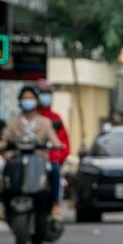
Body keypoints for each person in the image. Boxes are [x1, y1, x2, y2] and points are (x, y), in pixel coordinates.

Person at [35, 80, 70, 220]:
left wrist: (57, 157)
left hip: (49, 160)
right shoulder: (27, 118)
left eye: (48, 93)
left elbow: (64, 144)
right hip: (31, 158)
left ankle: (55, 203)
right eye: (42, 93)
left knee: (54, 170)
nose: (45, 96)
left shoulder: (55, 119)